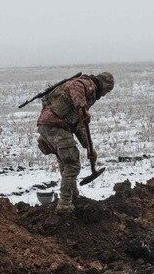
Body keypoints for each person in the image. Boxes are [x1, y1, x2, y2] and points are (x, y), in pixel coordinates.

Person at [37, 71, 115, 210]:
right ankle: (65, 203)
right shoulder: (86, 84)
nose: (104, 95)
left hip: (48, 126)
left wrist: (89, 147)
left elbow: (79, 125)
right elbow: (75, 86)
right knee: (72, 164)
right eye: (107, 91)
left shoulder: (87, 95)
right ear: (103, 85)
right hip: (55, 126)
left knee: (65, 162)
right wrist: (82, 107)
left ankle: (72, 195)